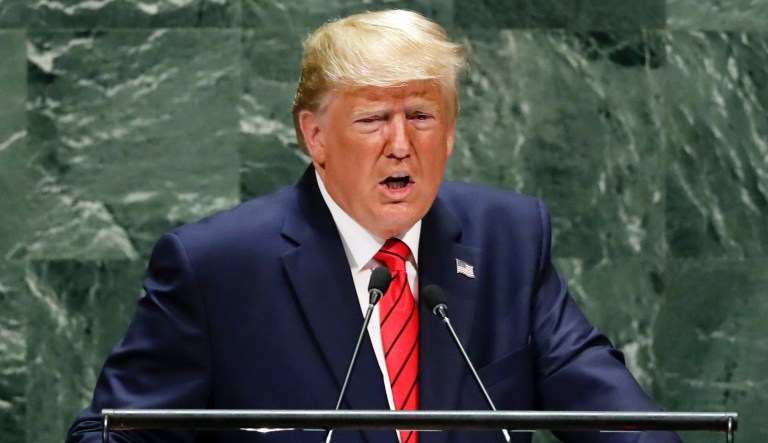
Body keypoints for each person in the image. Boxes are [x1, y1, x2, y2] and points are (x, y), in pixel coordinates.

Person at [67, 9, 682, 443]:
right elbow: (119, 431)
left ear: (450, 133)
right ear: (315, 136)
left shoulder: (509, 241)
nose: (400, 145)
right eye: (371, 120)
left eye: (421, 115)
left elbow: (616, 418)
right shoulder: (218, 266)